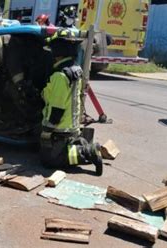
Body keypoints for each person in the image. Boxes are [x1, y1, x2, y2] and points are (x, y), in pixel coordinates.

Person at [39, 28, 103, 176]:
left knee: (47, 161)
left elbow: (57, 108)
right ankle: (79, 145)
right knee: (52, 151)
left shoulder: (60, 76)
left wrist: (47, 131)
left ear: (58, 50)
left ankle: (88, 152)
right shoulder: (75, 69)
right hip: (71, 126)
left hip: (60, 129)